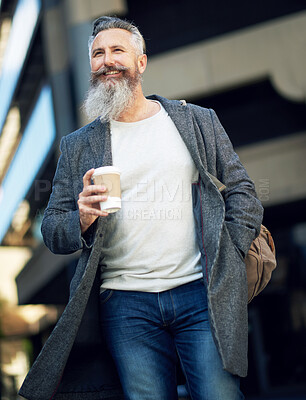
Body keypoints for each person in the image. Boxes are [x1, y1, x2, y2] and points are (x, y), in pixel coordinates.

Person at [19, 16, 263, 400]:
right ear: (91, 67)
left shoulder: (195, 120)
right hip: (125, 303)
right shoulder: (79, 145)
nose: (107, 60)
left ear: (141, 62)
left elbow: (243, 190)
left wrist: (229, 250)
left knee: (220, 395)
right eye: (98, 53)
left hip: (199, 292)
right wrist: (81, 217)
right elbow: (52, 229)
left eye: (117, 50)